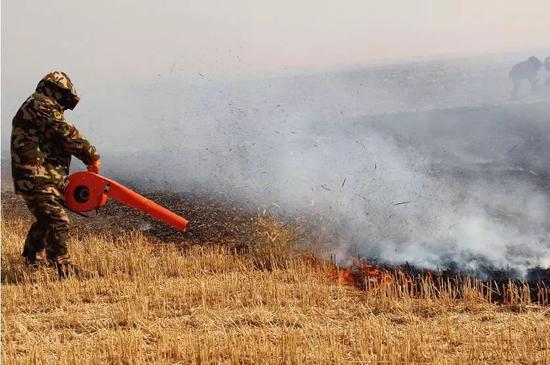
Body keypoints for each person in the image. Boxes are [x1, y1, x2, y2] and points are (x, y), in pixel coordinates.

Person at [10, 71, 101, 278]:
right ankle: (63, 267)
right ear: (55, 91)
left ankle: (31, 258)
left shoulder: (35, 105)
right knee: (58, 220)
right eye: (65, 99)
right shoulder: (40, 104)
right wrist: (91, 156)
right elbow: (65, 132)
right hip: (36, 175)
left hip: (40, 175)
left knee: (46, 218)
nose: (65, 106)